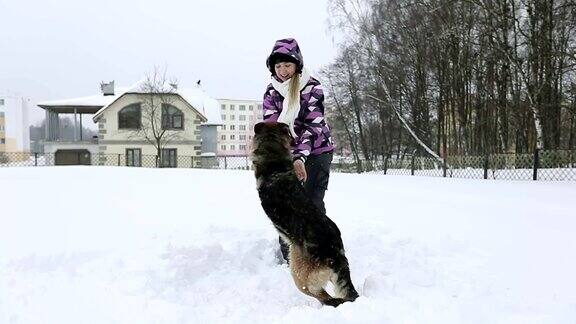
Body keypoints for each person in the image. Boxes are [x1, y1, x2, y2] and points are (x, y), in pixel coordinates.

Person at [262, 38, 335, 262]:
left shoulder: (312, 87)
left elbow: (312, 128)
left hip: (317, 152)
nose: (283, 71)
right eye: (278, 66)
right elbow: (273, 128)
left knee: (311, 203)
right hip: (289, 155)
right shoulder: (272, 92)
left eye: (287, 65)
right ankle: (290, 257)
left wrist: (300, 158)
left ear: (297, 65)